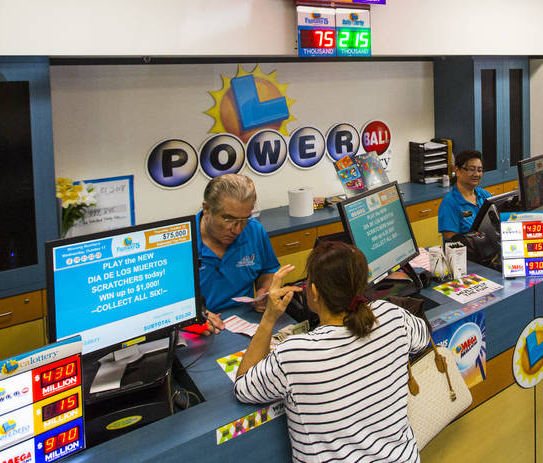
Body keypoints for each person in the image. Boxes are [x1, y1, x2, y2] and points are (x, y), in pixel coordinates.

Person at [234, 243, 430, 463]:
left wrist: (269, 317)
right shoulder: (394, 317)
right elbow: (422, 338)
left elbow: (243, 387)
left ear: (314, 292)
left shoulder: (295, 354)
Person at [198, 174, 279, 332]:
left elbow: (268, 270)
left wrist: (265, 291)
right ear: (206, 209)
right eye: (228, 219)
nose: (237, 229)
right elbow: (165, 301)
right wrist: (196, 315)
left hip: (247, 320)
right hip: (203, 328)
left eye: (245, 219)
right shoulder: (182, 242)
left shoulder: (254, 230)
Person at [437, 149, 491, 244]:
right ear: (457, 170)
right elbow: (451, 241)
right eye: (471, 169)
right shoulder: (450, 203)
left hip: (489, 249)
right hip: (466, 256)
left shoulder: (484, 195)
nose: (476, 174)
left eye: (480, 170)